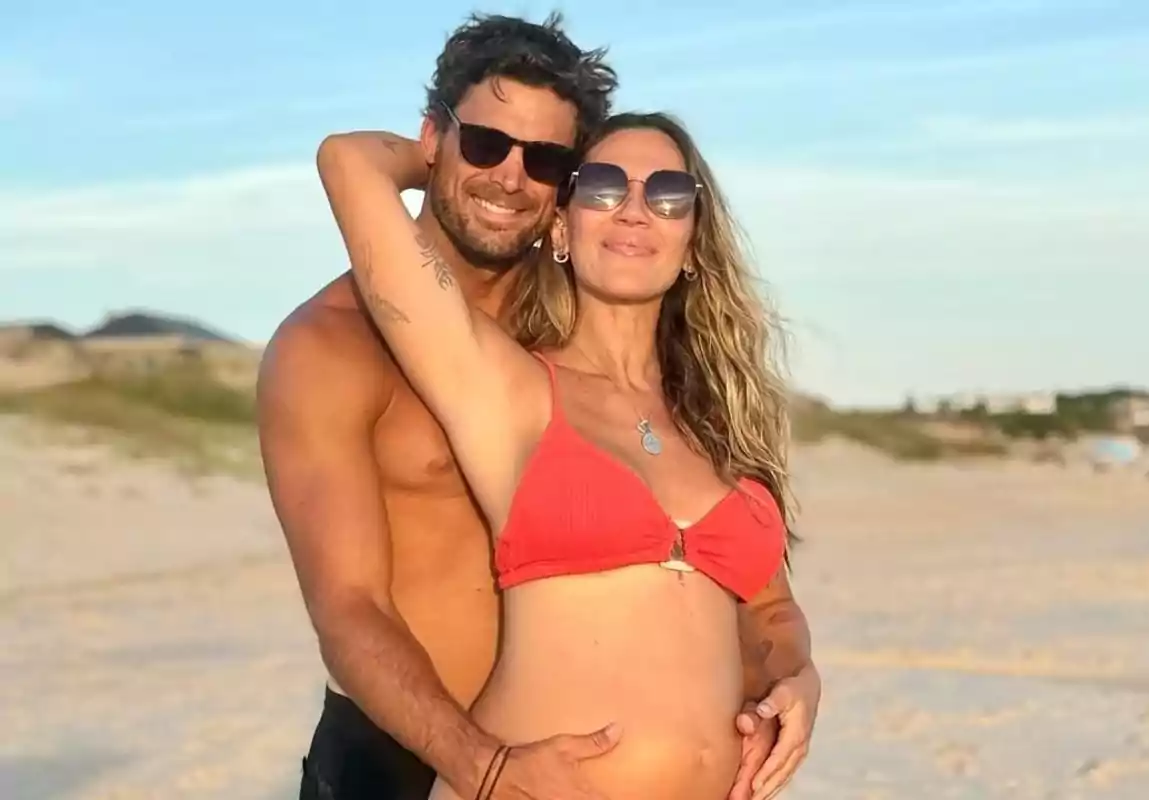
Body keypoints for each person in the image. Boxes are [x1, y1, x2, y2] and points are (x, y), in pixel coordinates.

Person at [258, 12, 819, 800]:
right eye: (486, 144)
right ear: (434, 138)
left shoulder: (623, 365)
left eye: (549, 160)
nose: (511, 177)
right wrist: (481, 766)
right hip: (405, 753)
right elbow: (349, 608)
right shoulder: (353, 351)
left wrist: (798, 677)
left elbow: (762, 609)